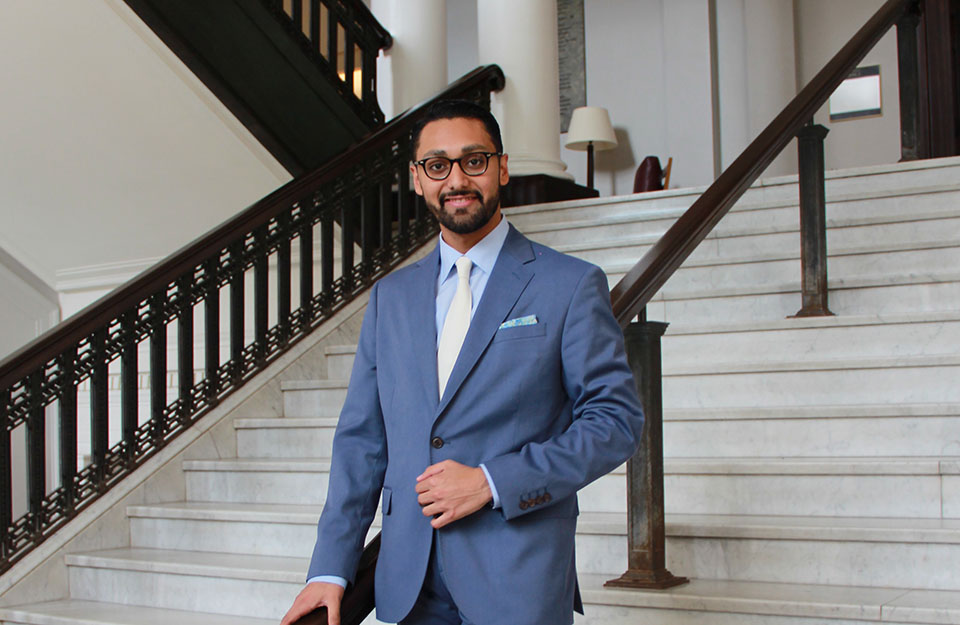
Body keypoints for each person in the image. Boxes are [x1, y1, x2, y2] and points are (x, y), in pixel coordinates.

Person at [280, 100, 643, 625]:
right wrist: (329, 570)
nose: (456, 179)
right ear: (418, 178)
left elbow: (616, 422)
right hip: (408, 583)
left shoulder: (569, 284)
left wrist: (492, 481)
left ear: (502, 167)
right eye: (437, 164)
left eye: (474, 161)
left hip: (518, 581)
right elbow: (362, 441)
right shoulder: (391, 297)